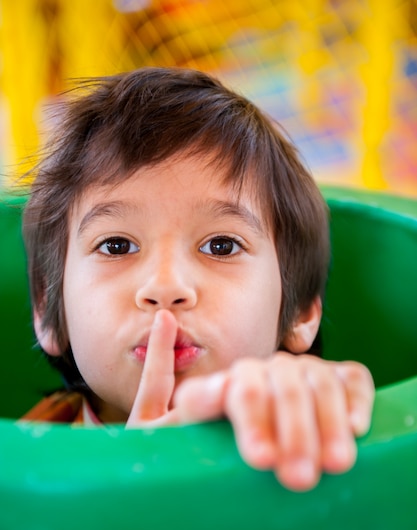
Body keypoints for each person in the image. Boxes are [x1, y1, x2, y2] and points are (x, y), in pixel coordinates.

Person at [21, 66, 374, 491]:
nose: (166, 286)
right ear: (47, 310)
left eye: (221, 246)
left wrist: (312, 401)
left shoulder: (297, 421)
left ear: (298, 309)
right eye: (116, 246)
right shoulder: (27, 461)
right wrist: (132, 482)